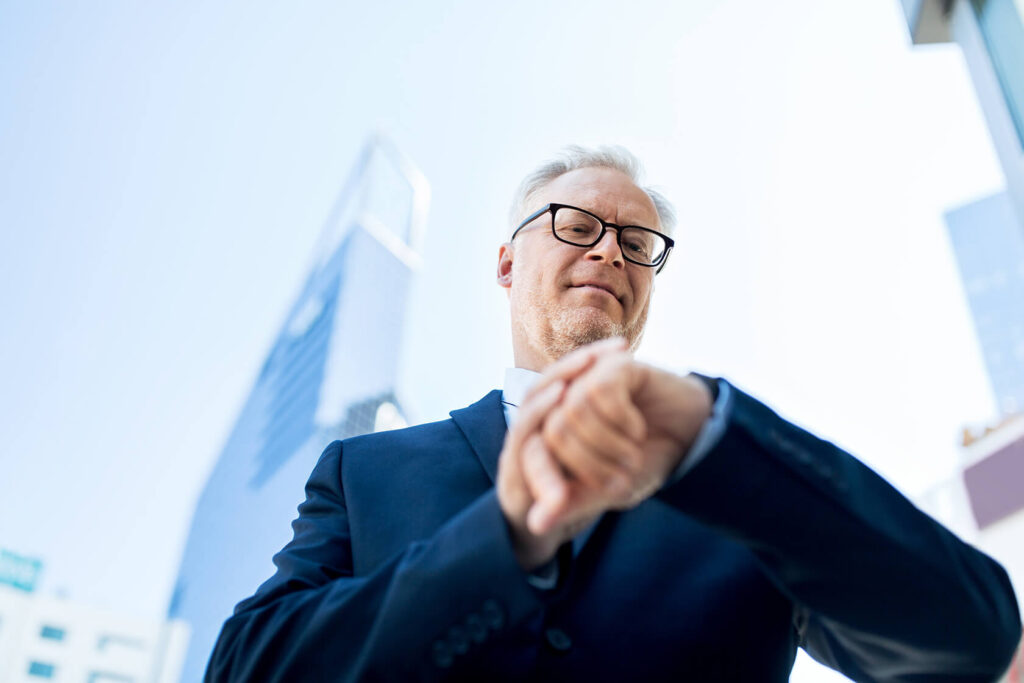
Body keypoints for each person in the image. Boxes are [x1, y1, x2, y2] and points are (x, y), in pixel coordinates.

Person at [206, 146, 1021, 681]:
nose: (608, 251)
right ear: (506, 263)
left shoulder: (743, 482)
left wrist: (718, 441)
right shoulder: (365, 471)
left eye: (637, 244)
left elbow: (969, 644)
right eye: (577, 226)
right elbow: (245, 667)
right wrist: (504, 540)